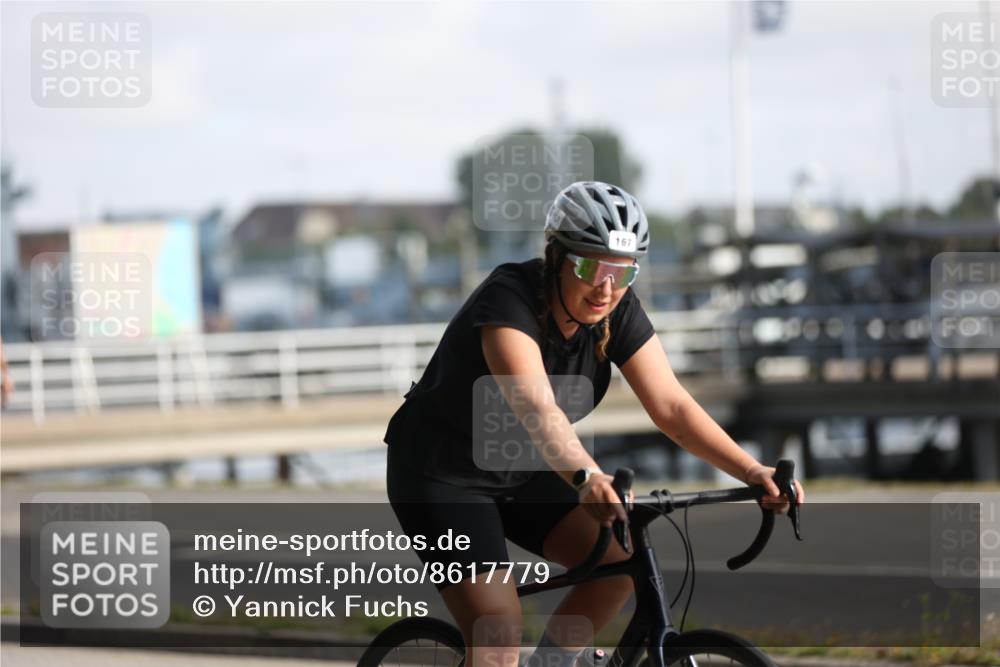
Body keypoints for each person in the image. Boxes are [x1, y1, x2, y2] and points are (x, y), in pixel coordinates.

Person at [383, 181, 805, 667]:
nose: (606, 287)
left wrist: (752, 472)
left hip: (524, 469)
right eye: (591, 266)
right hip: (442, 476)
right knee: (498, 636)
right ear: (557, 256)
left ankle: (553, 664)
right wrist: (588, 477)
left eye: (623, 272)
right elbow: (538, 411)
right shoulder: (508, 302)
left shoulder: (617, 311)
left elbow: (672, 407)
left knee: (618, 566)